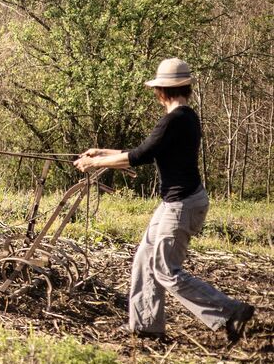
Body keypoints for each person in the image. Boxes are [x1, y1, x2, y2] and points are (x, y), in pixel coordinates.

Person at [74, 58, 255, 345]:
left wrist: (95, 163)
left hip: (182, 204)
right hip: (177, 202)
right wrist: (101, 153)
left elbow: (141, 156)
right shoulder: (185, 117)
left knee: (165, 270)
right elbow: (148, 150)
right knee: (145, 257)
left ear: (161, 91)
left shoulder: (174, 120)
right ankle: (146, 325)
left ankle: (231, 311)